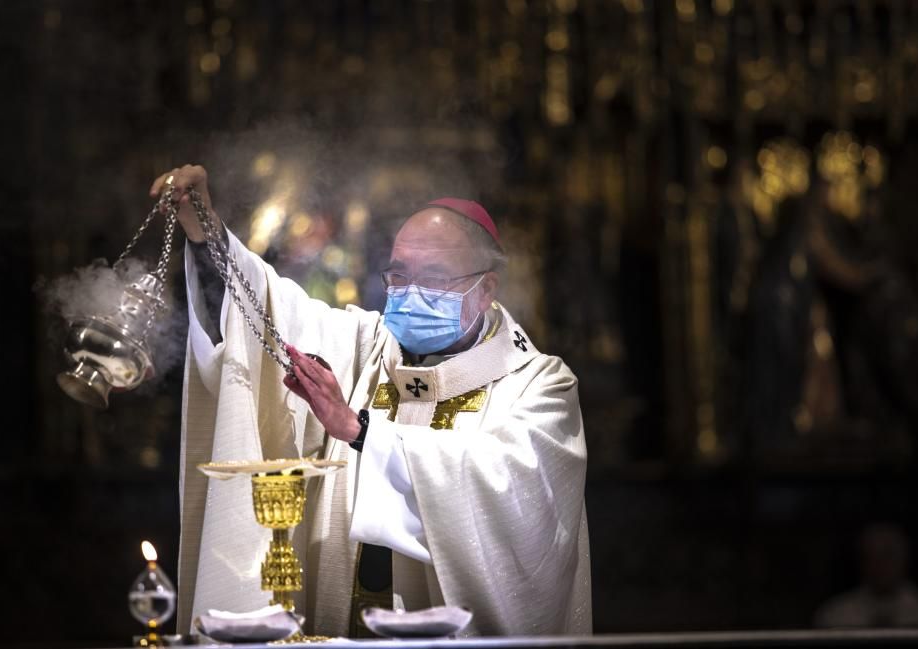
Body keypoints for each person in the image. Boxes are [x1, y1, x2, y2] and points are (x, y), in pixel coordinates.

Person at [152, 165, 591, 637]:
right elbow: (266, 313)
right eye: (400, 274)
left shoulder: (540, 385)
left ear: (485, 289)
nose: (412, 293)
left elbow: (512, 493)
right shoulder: (364, 347)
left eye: (436, 277)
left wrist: (362, 431)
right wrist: (205, 232)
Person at [815, 523, 918, 628]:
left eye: (887, 555)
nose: (880, 564)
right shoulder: (835, 615)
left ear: (904, 558)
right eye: (871, 556)